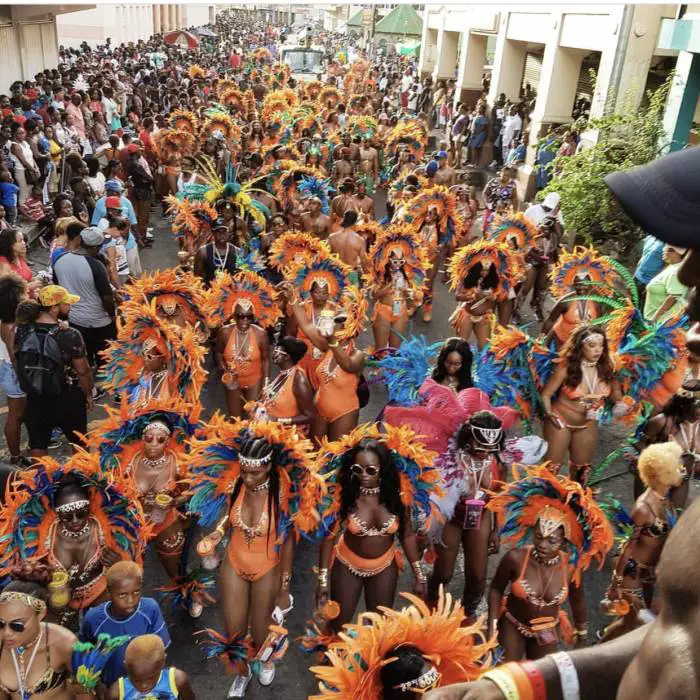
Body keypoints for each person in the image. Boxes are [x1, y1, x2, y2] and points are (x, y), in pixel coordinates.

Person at [191, 421, 320, 698]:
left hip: (268, 568)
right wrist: (218, 532)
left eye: (255, 473)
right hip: (234, 564)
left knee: (262, 635)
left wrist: (284, 589)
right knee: (233, 633)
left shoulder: (283, 492)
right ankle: (242, 673)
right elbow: (229, 515)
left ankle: (265, 658)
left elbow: (287, 543)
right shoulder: (237, 483)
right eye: (245, 472)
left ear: (268, 467)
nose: (248, 478)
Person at [312, 426, 439, 634]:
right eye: (357, 469)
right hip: (347, 565)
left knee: (379, 631)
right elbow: (328, 538)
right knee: (336, 628)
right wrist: (323, 581)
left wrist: (420, 575)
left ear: (383, 469)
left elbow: (406, 535)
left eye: (370, 470)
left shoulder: (398, 496)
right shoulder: (344, 495)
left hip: (384, 567)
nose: (363, 475)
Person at [487, 465, 612, 660]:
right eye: (538, 537)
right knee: (507, 675)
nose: (542, 545)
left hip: (547, 630)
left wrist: (582, 635)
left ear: (564, 541)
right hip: (512, 624)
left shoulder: (570, 567)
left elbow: (577, 601)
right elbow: (496, 589)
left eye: (551, 540)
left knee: (541, 680)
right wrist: (492, 628)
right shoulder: (515, 558)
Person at [600, 442, 685, 642]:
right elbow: (627, 546)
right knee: (632, 620)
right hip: (633, 572)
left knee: (637, 619)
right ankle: (601, 646)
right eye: (677, 466)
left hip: (648, 573)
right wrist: (616, 584)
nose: (682, 470)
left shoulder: (665, 501)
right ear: (663, 473)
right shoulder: (643, 509)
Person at [14, 285, 92, 456]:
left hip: (36, 397)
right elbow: (83, 370)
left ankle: (40, 481)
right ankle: (84, 479)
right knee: (80, 443)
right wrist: (88, 394)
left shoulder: (22, 330)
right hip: (67, 395)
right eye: (66, 304)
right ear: (55, 308)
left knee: (38, 446)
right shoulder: (70, 334)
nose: (70, 306)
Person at [541, 325, 623, 484]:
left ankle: (575, 505)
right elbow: (546, 394)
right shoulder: (566, 367)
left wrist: (622, 404)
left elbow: (617, 396)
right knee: (551, 470)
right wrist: (549, 414)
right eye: (592, 346)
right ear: (580, 347)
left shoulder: (607, 368)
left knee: (581, 472)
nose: (597, 350)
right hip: (560, 421)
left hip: (587, 424)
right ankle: (546, 505)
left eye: (601, 346)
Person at [81, 561, 170, 690]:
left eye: (136, 592)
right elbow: (85, 651)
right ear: (109, 593)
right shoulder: (93, 618)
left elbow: (161, 649)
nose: (130, 601)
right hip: (112, 685)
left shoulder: (150, 609)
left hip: (146, 684)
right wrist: (96, 685)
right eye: (122, 594)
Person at [0, 581, 84, 700]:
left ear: (40, 614)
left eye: (17, 625)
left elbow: (84, 691)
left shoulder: (64, 643)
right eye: (1, 624)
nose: (7, 633)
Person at [52, 226, 116, 371]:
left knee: (84, 357)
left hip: (74, 320)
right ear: (96, 248)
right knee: (104, 360)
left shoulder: (60, 260)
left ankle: (91, 387)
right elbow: (106, 297)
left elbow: (58, 288)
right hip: (99, 321)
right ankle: (103, 386)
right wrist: (113, 315)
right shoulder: (96, 265)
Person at [252, 336, 314, 429]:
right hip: (268, 431)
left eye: (277, 351)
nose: (273, 354)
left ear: (287, 356)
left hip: (286, 436)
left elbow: (309, 416)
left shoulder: (299, 380)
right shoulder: (283, 373)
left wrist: (277, 420)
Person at [107, 635, 195, 700]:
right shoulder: (116, 692)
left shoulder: (177, 679)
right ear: (126, 666)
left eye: (151, 678)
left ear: (163, 662)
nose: (143, 686)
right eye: (136, 680)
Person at [0, 276, 27, 466]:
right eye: (22, 294)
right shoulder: (10, 326)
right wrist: (24, 379)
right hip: (13, 370)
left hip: (6, 368)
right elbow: (13, 354)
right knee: (16, 415)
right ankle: (16, 457)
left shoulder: (5, 319)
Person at [642, 244, 688, 322]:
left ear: (677, 253)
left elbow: (673, 298)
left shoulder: (676, 272)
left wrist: (654, 319)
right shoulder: (673, 266)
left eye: (667, 249)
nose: (663, 251)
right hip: (653, 318)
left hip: (659, 323)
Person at [194, 218, 238, 287]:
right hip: (208, 294)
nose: (221, 234)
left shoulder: (237, 251)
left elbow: (241, 276)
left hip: (231, 294)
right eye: (218, 232)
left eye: (224, 231)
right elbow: (196, 278)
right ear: (213, 233)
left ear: (228, 233)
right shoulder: (203, 252)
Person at [0, 228, 39, 292]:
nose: (24, 243)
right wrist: (28, 286)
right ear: (10, 245)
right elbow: (5, 292)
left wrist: (35, 281)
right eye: (20, 241)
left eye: (23, 240)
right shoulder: (3, 263)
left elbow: (26, 277)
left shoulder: (19, 255)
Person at [633, 234, 665, 305]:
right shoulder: (650, 238)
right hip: (637, 276)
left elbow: (667, 265)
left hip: (650, 281)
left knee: (643, 306)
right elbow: (644, 255)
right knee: (631, 302)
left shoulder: (667, 243)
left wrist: (655, 282)